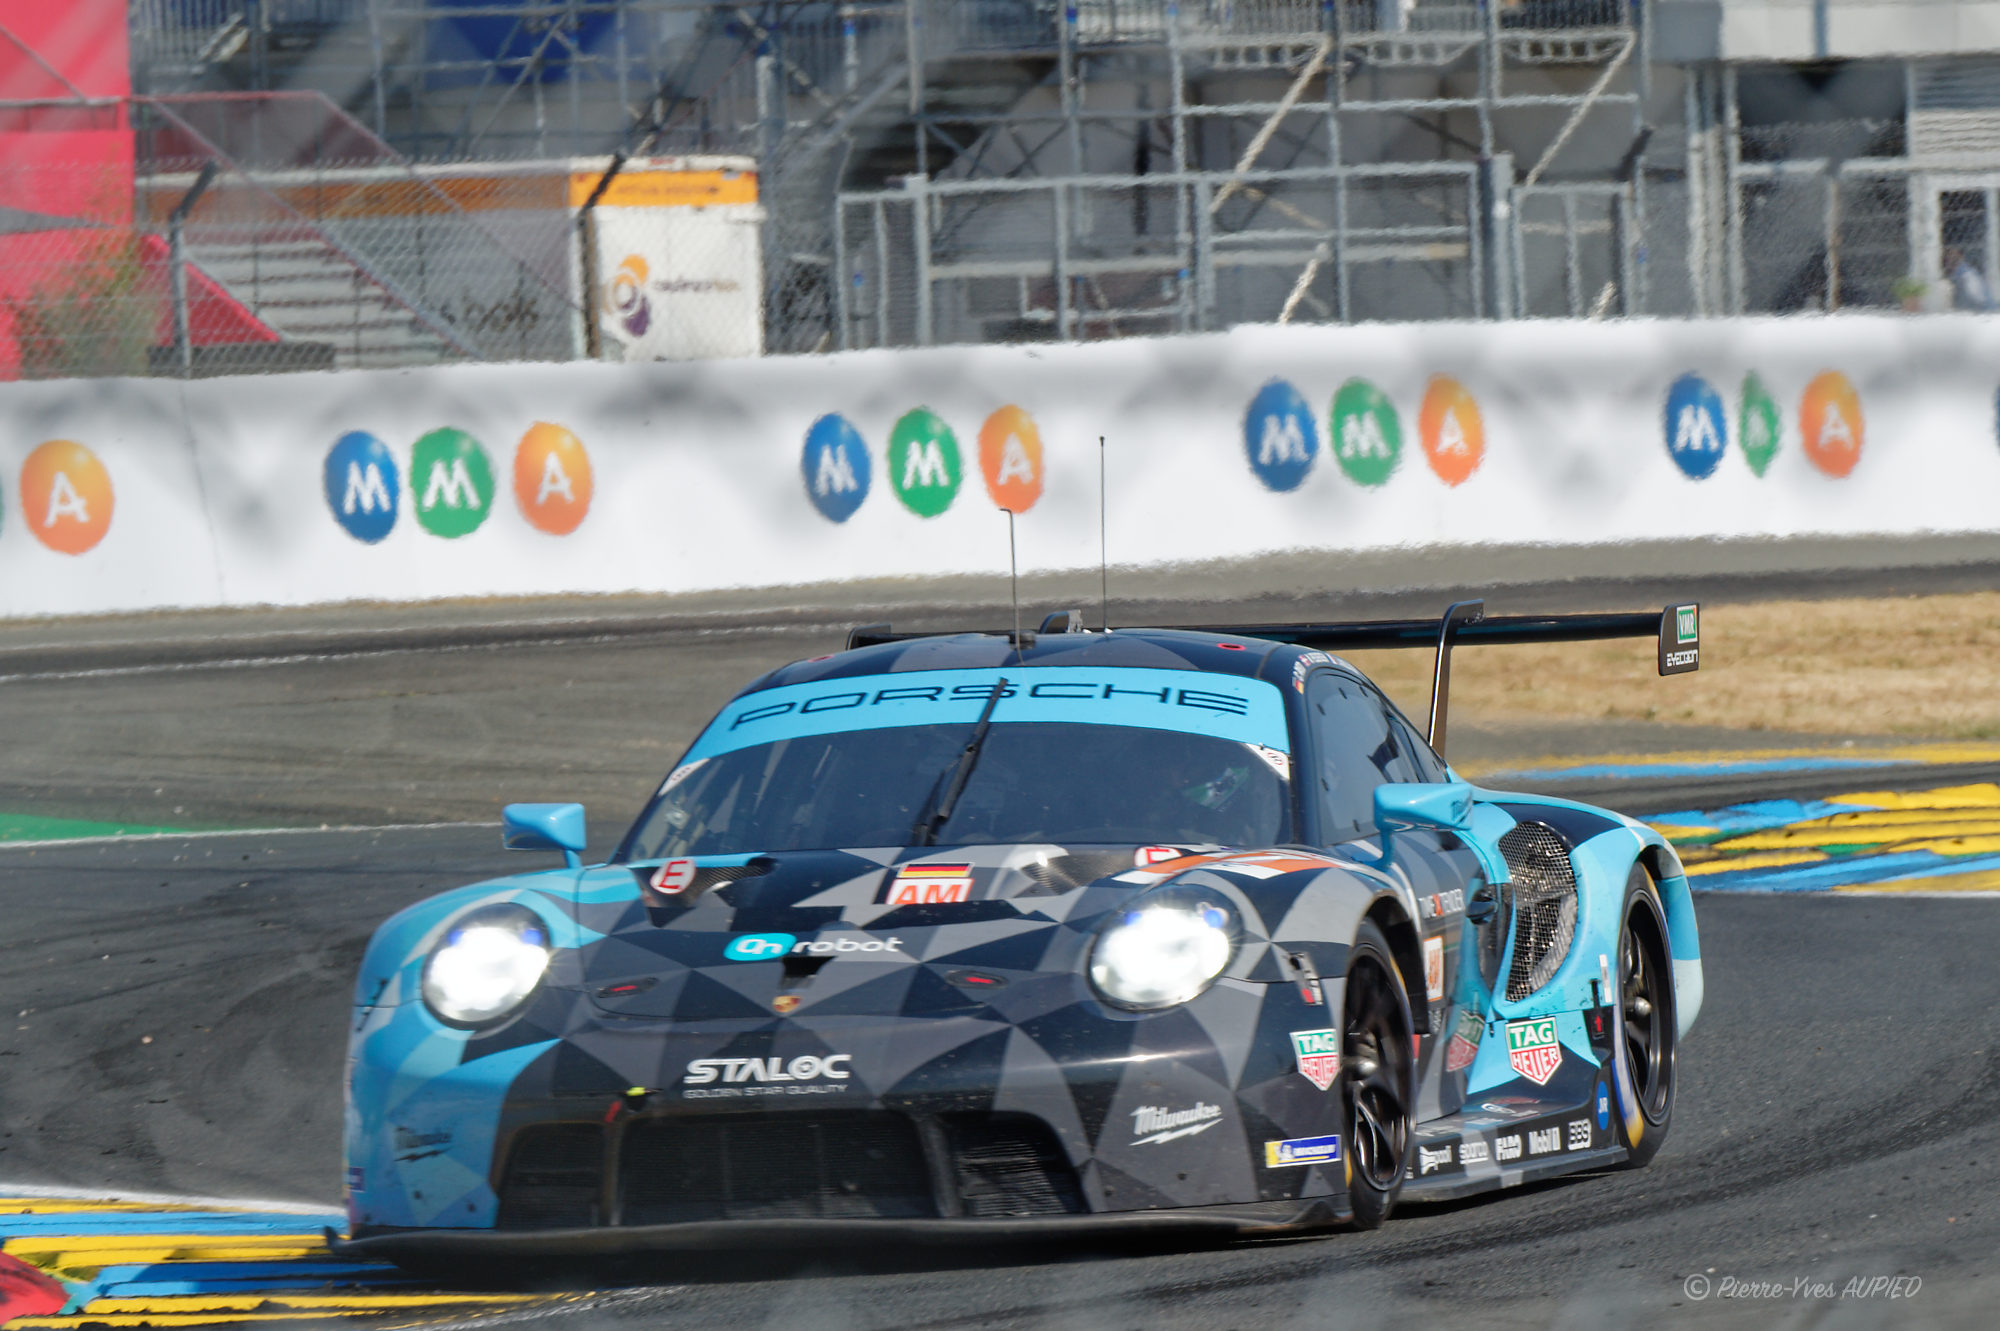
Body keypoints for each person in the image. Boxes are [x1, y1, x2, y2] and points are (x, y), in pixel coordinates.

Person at [1945, 247, 1996, 312]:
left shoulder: (1967, 275)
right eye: (1948, 257)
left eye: (1953, 257)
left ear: (1961, 257)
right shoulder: (1958, 276)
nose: (1950, 259)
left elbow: (1980, 299)